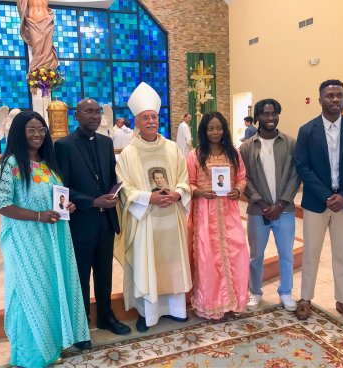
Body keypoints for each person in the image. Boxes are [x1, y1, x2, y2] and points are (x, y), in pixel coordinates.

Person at [0, 111, 89, 367]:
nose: (37, 135)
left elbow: (53, 197)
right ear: (19, 132)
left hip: (54, 237)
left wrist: (66, 207)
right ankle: (30, 355)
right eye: (31, 130)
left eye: (41, 130)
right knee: (31, 292)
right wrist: (37, 216)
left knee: (50, 290)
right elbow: (0, 204)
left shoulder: (47, 162)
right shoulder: (11, 164)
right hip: (26, 241)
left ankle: (51, 347)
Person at [115, 82, 192, 333]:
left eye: (154, 117)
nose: (151, 121)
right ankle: (147, 314)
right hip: (145, 219)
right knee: (146, 264)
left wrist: (177, 193)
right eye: (145, 118)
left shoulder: (171, 148)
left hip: (171, 217)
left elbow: (184, 178)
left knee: (172, 263)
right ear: (136, 122)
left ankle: (177, 310)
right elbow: (123, 186)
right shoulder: (128, 153)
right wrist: (148, 198)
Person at [55, 99, 131, 342]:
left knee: (104, 271)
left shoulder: (106, 142)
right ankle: (82, 323)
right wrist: (94, 201)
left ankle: (106, 316)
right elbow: (62, 187)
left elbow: (110, 176)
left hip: (106, 220)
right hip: (81, 221)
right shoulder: (64, 145)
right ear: (76, 116)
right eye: (89, 112)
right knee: (80, 274)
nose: (95, 116)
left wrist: (114, 193)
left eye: (98, 112)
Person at [294, 80, 343, 324]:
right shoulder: (307, 130)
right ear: (320, 100)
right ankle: (305, 299)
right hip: (317, 202)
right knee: (311, 253)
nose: (335, 99)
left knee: (342, 254)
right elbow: (303, 166)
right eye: (330, 96)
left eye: (339, 95)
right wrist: (326, 195)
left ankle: (342, 301)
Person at [240, 99, 301, 312]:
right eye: (266, 114)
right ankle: (255, 292)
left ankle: (286, 292)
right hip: (258, 210)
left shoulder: (290, 143)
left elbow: (296, 175)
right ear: (258, 116)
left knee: (286, 253)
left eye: (274, 113)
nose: (270, 118)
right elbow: (243, 178)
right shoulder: (247, 147)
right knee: (256, 254)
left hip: (284, 209)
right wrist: (263, 203)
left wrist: (281, 203)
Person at [187, 111, 248, 319]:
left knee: (235, 253)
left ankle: (233, 302)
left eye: (219, 127)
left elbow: (241, 177)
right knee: (209, 258)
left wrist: (238, 190)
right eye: (211, 128)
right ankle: (211, 304)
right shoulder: (194, 155)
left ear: (225, 129)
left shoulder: (233, 153)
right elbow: (189, 182)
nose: (215, 132)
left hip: (229, 212)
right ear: (204, 131)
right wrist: (199, 192)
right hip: (205, 213)